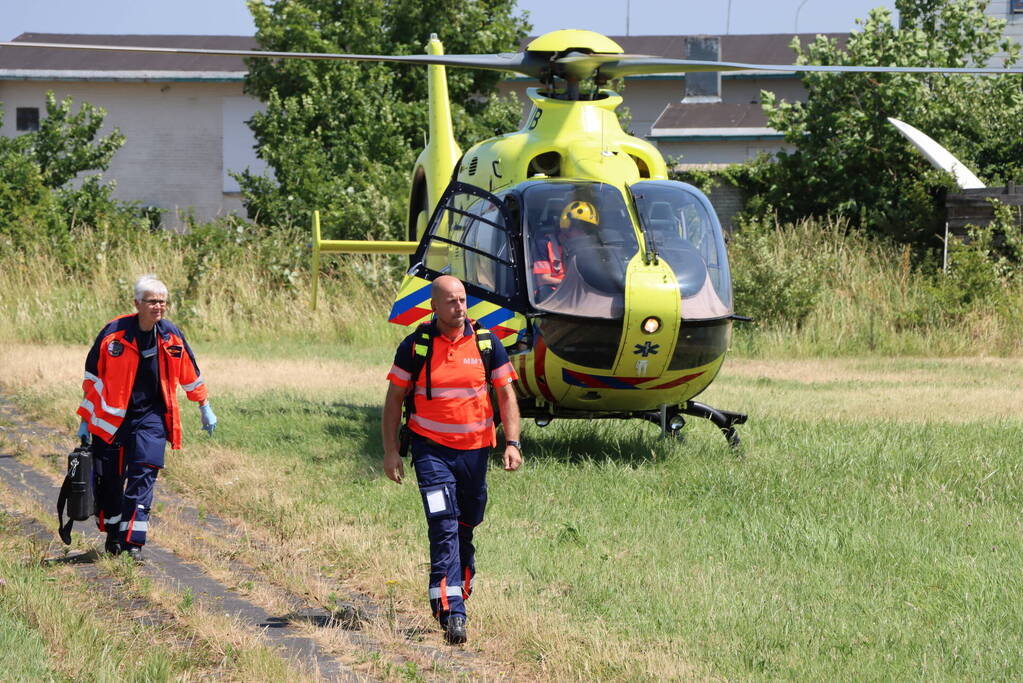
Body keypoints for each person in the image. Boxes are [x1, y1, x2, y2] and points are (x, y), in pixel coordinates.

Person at [381, 275, 522, 645]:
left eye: (462, 300)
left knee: (467, 522)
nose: (459, 307)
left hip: (476, 452)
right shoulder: (416, 346)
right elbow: (394, 400)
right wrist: (392, 450)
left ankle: (460, 579)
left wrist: (513, 442)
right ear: (434, 306)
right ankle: (451, 609)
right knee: (443, 523)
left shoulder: (488, 343)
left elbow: (506, 396)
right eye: (451, 302)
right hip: (431, 452)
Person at [75, 274, 217, 561]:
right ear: (137, 303)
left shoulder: (171, 335)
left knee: (143, 476)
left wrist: (204, 405)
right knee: (111, 483)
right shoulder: (112, 334)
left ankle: (133, 544)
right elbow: (92, 379)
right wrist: (85, 419)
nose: (158, 307)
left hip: (152, 419)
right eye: (152, 301)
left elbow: (190, 373)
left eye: (162, 302)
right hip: (111, 422)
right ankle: (114, 535)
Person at [531, 200, 600, 300]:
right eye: (580, 227)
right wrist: (571, 283)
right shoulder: (545, 243)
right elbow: (542, 280)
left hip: (579, 294)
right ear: (566, 225)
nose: (584, 233)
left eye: (588, 229)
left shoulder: (589, 245)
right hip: (554, 296)